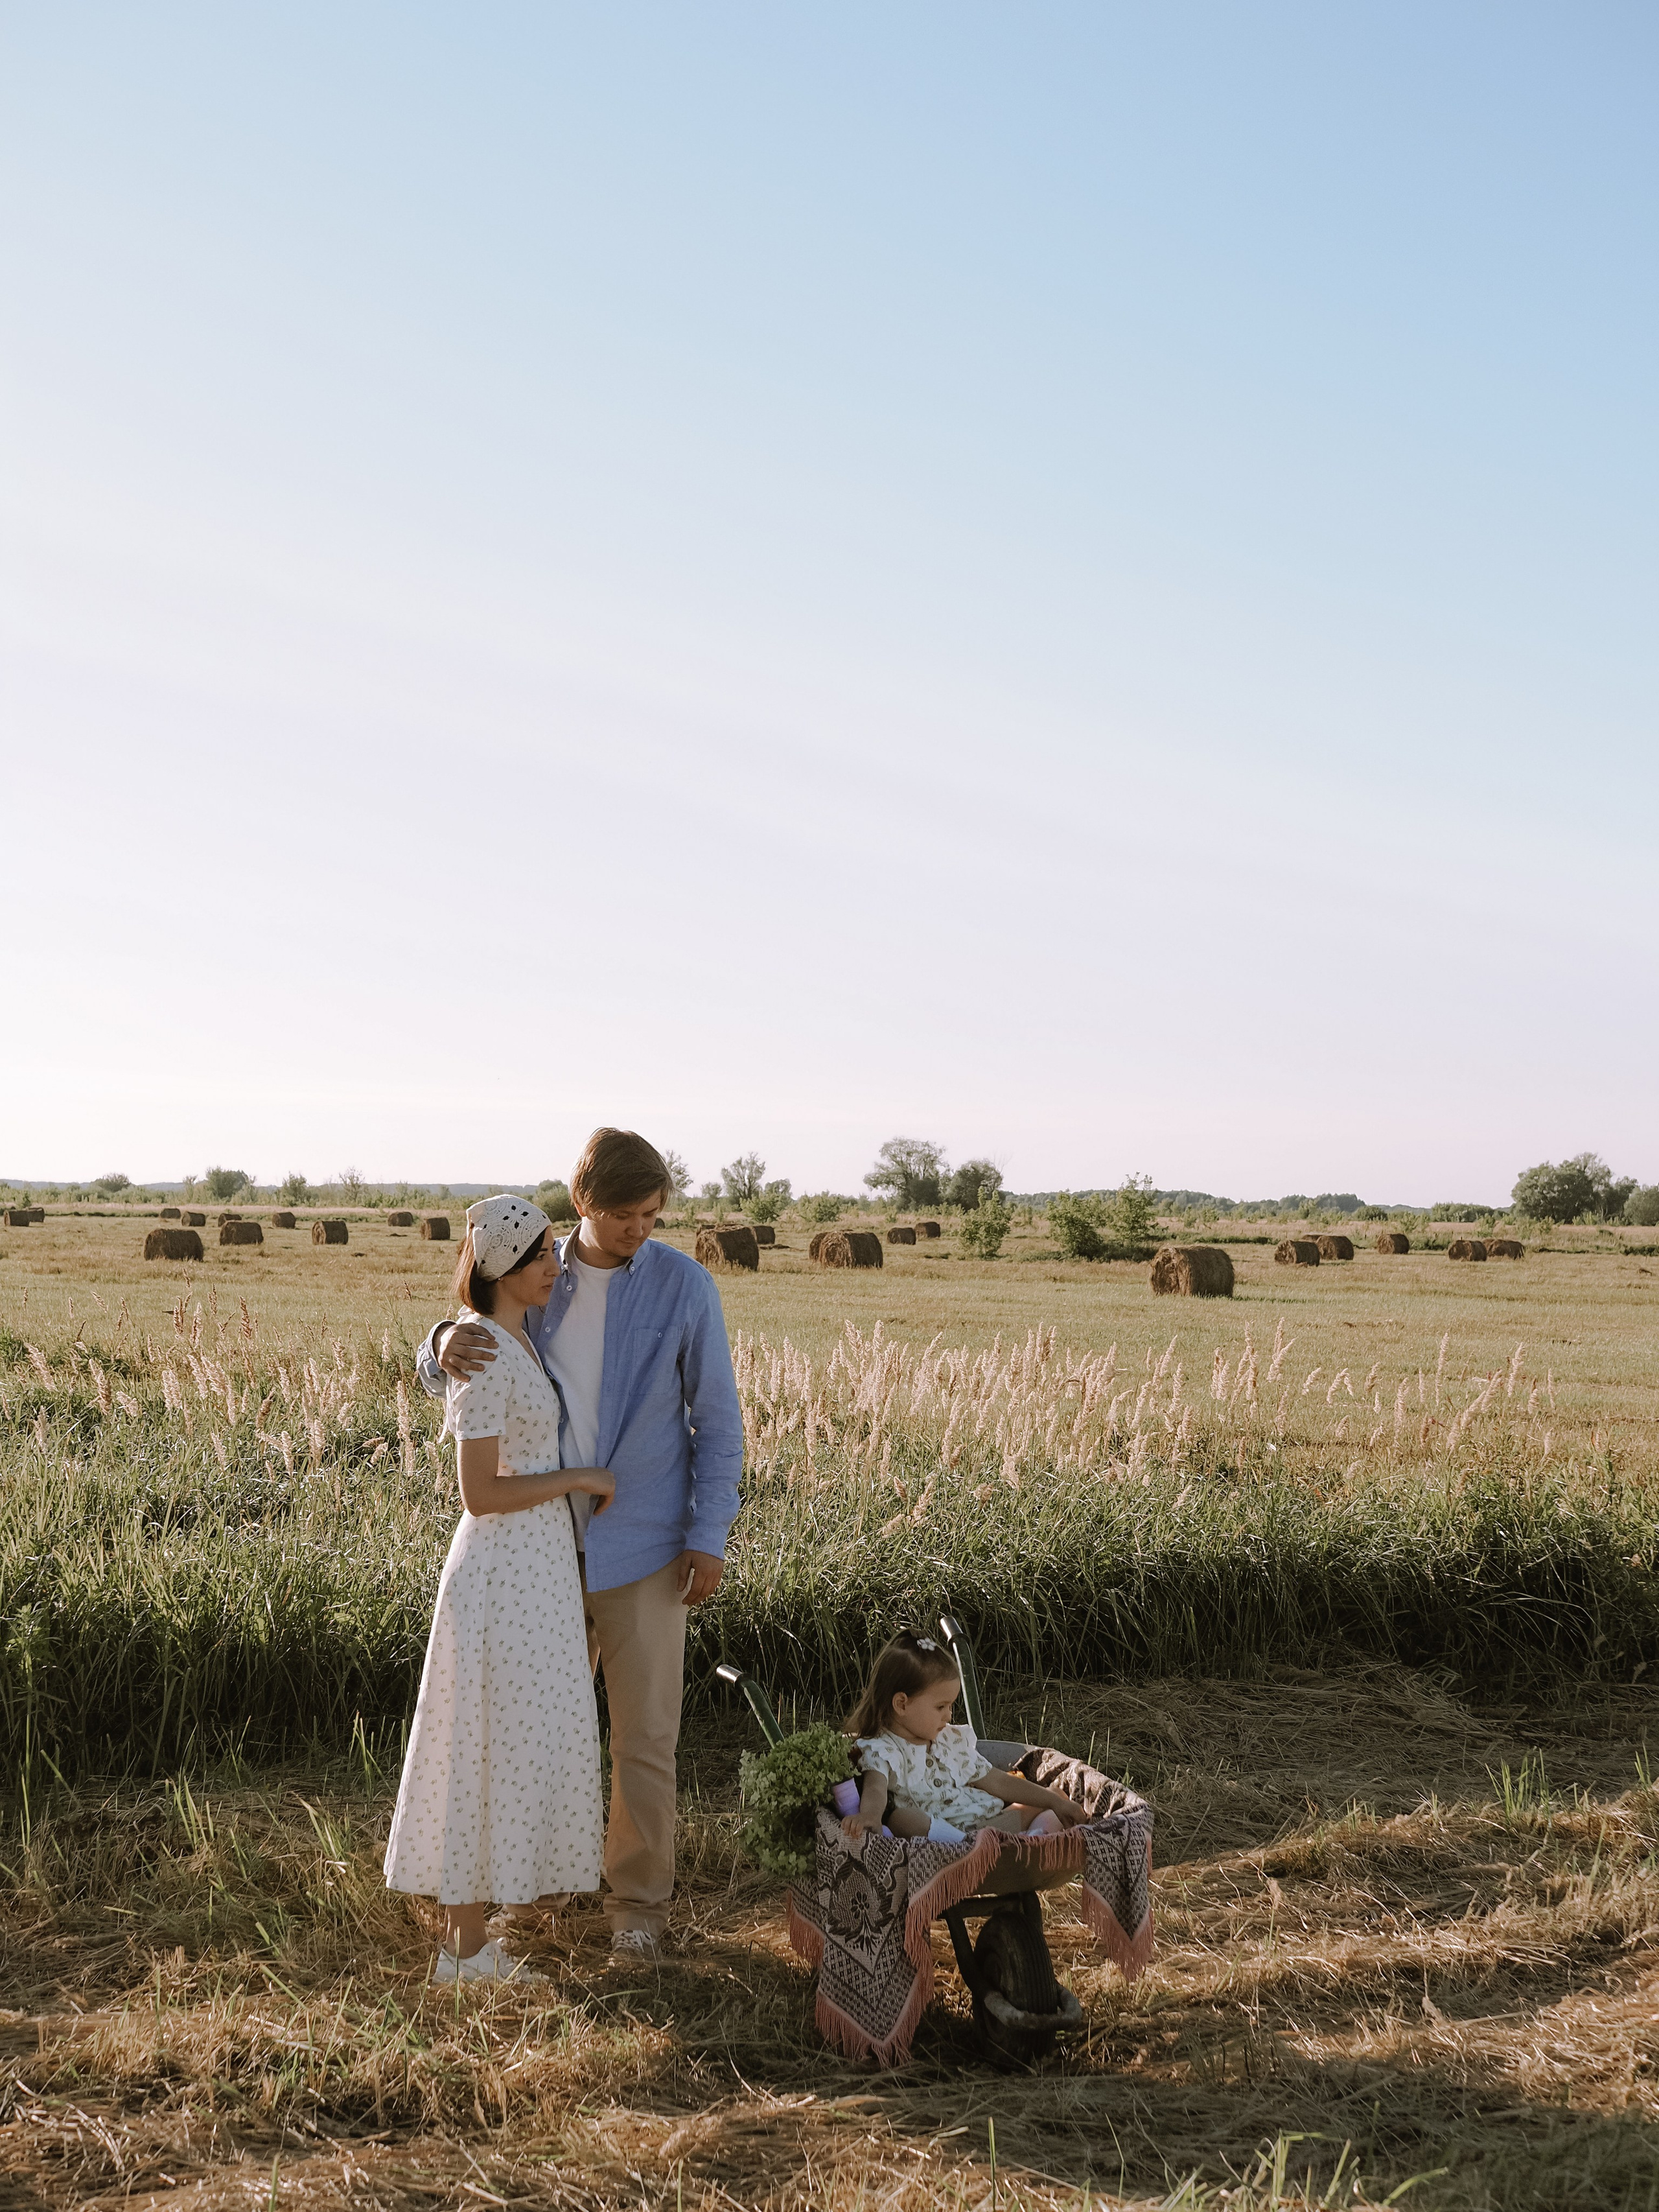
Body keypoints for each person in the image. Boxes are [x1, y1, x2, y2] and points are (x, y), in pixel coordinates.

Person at [417, 1129, 743, 1958]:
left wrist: (708, 1532)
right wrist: (432, 1345)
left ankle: (638, 1909)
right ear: (584, 1203)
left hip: (644, 1546)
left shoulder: (683, 1285)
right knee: (538, 1732)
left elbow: (719, 1419)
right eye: (627, 1213)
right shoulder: (539, 1268)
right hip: (541, 1551)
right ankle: (534, 1897)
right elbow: (477, 1343)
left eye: (654, 1213)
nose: (644, 1227)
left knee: (644, 1737)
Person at [384, 1196, 614, 1984]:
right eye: (540, 1258)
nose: (556, 1267)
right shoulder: (482, 1344)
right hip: (502, 1567)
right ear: (500, 1269)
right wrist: (578, 1477)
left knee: (515, 1741)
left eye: (552, 1253)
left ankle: (482, 1929)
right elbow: (479, 1491)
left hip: (536, 1566)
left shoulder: (515, 1335)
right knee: (481, 1743)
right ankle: (463, 1950)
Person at [841, 1629, 1087, 1845]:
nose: (948, 1715)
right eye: (941, 1707)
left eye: (951, 1706)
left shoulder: (951, 1741)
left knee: (1056, 1797)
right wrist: (870, 1818)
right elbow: (875, 1788)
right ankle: (977, 1851)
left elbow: (997, 1782)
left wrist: (1053, 1802)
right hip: (942, 1836)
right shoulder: (884, 1749)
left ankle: (1021, 1845)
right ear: (902, 1704)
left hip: (991, 1825)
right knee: (902, 1820)